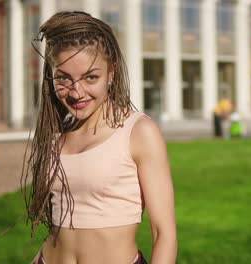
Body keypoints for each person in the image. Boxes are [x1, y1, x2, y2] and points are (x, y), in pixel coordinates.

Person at [21, 11, 177, 264]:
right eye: (64, 78)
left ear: (111, 72)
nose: (76, 92)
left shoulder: (138, 132)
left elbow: (164, 235)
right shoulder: (58, 135)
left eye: (90, 77)